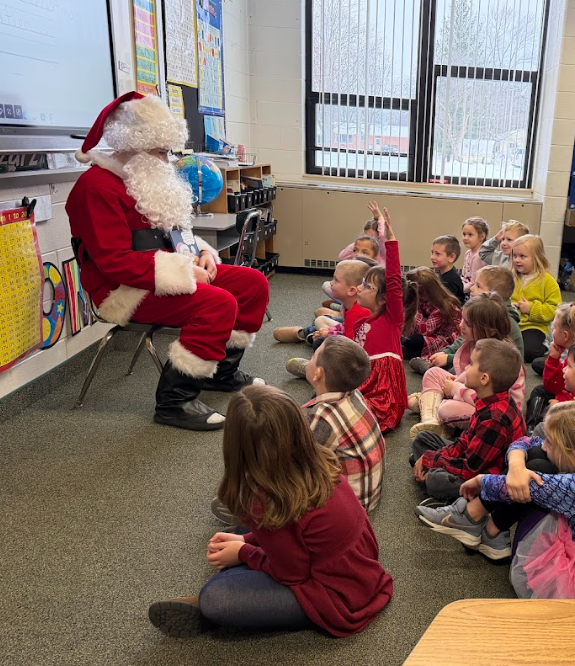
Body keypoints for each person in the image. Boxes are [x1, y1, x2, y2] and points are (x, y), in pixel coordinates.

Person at [66, 92, 269, 431]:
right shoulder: (96, 188)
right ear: (134, 146)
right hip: (122, 291)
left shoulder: (143, 181)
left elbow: (175, 234)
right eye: (161, 152)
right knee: (217, 303)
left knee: (252, 284)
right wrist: (184, 271)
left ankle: (221, 373)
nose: (167, 161)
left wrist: (203, 253)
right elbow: (115, 262)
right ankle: (175, 402)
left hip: (162, 274)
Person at [148, 385, 393, 637]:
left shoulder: (263, 500)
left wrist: (243, 552)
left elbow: (292, 574)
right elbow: (296, 533)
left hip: (336, 595)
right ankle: (243, 557)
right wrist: (246, 540)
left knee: (215, 597)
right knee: (244, 531)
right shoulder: (317, 459)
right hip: (355, 568)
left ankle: (209, 605)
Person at [415, 400, 575, 569]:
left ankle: (472, 517)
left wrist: (480, 481)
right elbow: (527, 440)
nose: (544, 445)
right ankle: (487, 531)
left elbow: (521, 487)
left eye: (550, 442)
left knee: (535, 471)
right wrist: (516, 465)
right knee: (535, 458)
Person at [411, 338, 526, 501]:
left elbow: (470, 469)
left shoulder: (495, 419)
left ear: (484, 379)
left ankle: (460, 497)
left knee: (435, 480)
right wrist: (433, 458)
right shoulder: (486, 401)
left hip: (486, 475)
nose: (466, 368)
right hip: (474, 457)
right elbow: (464, 441)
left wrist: (431, 459)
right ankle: (427, 470)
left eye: (471, 364)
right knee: (422, 439)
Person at [409, 294, 525, 438]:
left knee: (446, 409)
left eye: (468, 324)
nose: (461, 325)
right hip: (470, 394)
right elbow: (468, 374)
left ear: (490, 330)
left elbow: (488, 401)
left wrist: (455, 389)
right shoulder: (479, 344)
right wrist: (456, 382)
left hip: (495, 414)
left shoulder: (498, 358)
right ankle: (431, 419)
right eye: (463, 319)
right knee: (434, 373)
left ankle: (430, 407)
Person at [301, 337, 385, 512]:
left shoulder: (323, 416)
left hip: (351, 506)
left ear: (318, 374)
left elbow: (304, 461)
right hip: (369, 491)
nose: (310, 359)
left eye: (313, 357)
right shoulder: (355, 394)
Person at [410, 265, 524, 376]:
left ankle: (438, 371)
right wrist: (445, 352)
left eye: (478, 286)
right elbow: (463, 339)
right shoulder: (479, 312)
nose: (471, 288)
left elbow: (491, 358)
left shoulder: (504, 320)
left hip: (498, 370)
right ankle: (437, 369)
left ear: (493, 295)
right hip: (476, 359)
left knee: (453, 371)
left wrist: (449, 358)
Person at [354, 205, 408, 434]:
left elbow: (394, 279)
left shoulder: (392, 318)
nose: (360, 289)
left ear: (384, 297)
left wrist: (391, 239)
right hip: (362, 382)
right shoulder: (361, 322)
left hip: (383, 393)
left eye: (367, 286)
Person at [525, 303, 575, 429]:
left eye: (554, 327)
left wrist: (561, 405)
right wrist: (553, 358)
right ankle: (531, 430)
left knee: (547, 413)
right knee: (540, 390)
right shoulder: (574, 354)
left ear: (565, 335)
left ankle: (537, 431)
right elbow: (551, 387)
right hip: (572, 399)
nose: (552, 329)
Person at [275, 259, 370, 348]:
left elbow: (350, 346)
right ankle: (310, 335)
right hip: (348, 337)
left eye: (336, 280)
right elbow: (344, 328)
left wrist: (328, 335)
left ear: (351, 291)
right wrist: (328, 331)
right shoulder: (347, 304)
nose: (331, 283)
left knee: (319, 343)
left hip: (355, 347)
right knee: (320, 320)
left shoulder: (356, 313)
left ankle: (308, 335)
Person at [510, 235, 562, 363]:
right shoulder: (510, 277)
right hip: (511, 324)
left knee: (528, 352)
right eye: (514, 256)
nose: (517, 260)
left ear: (537, 258)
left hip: (534, 326)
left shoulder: (547, 281)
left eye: (522, 256)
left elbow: (555, 309)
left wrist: (531, 308)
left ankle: (544, 343)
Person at [400, 268, 461, 360]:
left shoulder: (444, 305)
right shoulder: (425, 301)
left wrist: (413, 307)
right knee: (407, 337)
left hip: (444, 341)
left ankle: (407, 351)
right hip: (428, 337)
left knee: (416, 340)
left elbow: (425, 330)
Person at [336, 201, 388, 266]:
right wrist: (359, 244)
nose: (369, 240)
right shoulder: (359, 252)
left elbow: (382, 235)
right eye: (366, 236)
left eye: (373, 237)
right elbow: (342, 257)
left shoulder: (383, 250)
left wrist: (380, 217)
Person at [431, 235, 465, 305]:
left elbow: (447, 306)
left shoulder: (450, 281)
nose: (432, 257)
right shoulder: (441, 273)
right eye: (432, 253)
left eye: (437, 254)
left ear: (451, 257)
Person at [461, 217, 489, 293]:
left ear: (482, 236)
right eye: (464, 234)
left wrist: (459, 289)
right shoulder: (468, 253)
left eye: (470, 235)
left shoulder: (479, 256)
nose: (465, 238)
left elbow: (474, 282)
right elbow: (464, 276)